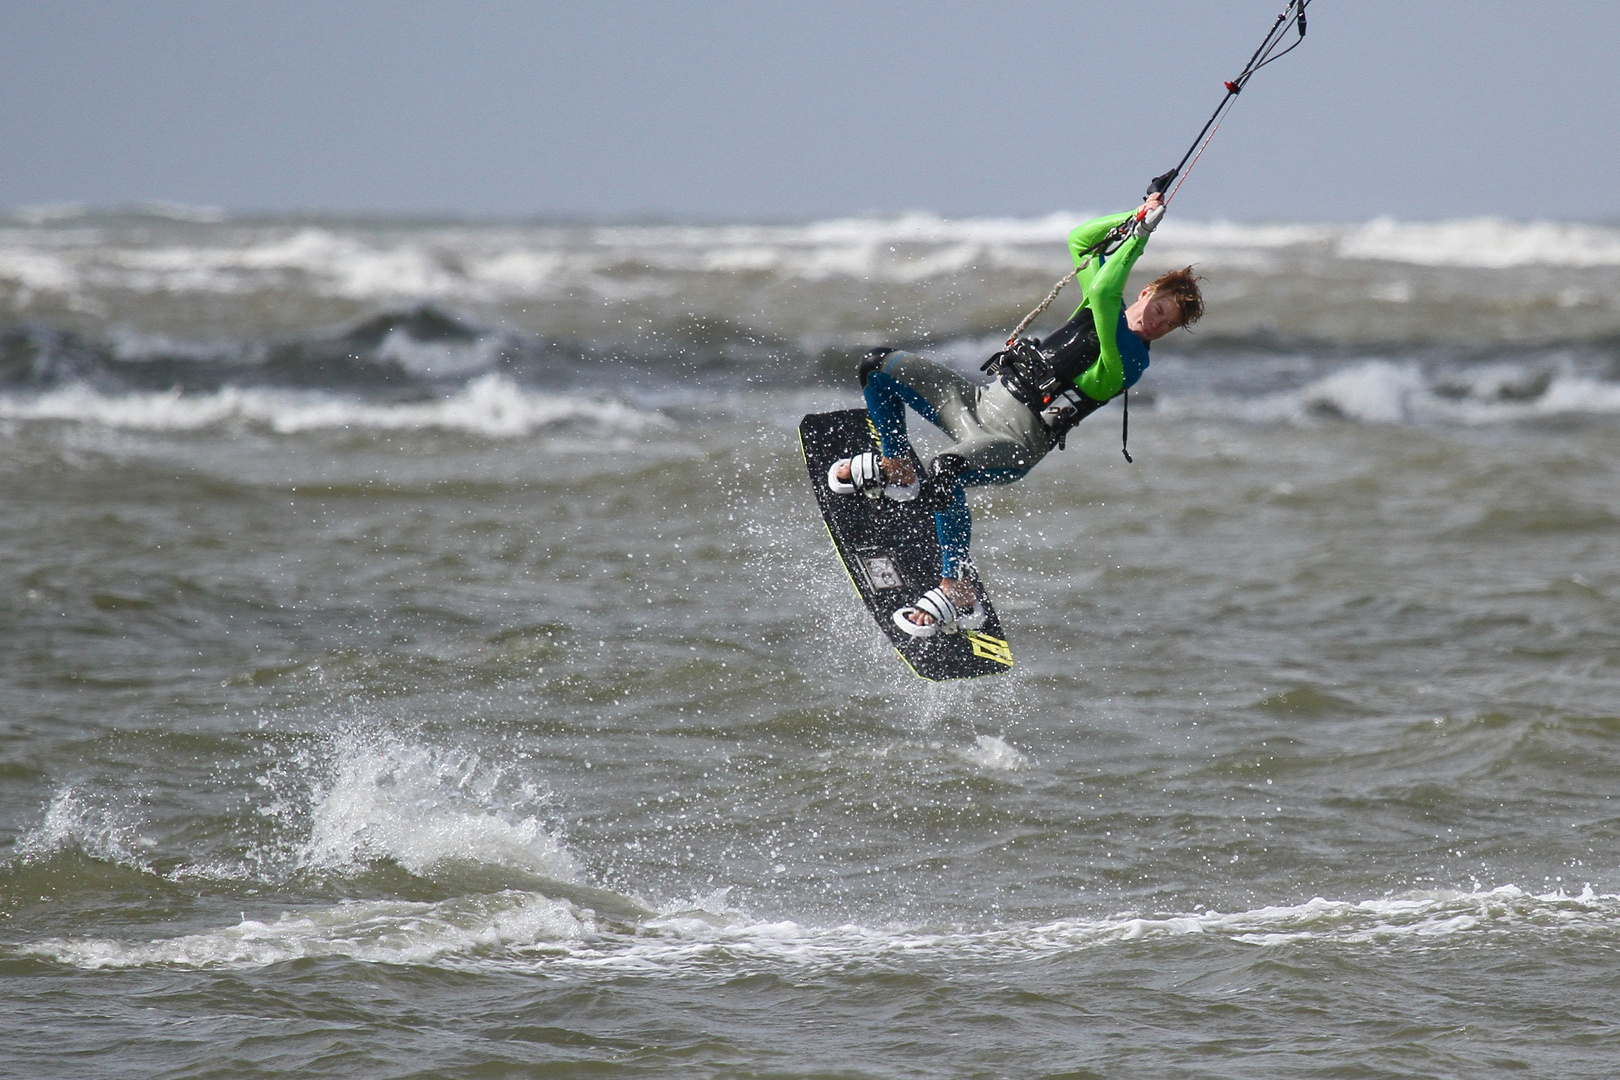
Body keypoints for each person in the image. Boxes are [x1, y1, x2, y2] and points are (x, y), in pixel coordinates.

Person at [827, 190, 1203, 638]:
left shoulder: (1130, 359)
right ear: (1147, 292)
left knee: (947, 470)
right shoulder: (1104, 309)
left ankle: (958, 589)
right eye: (1160, 310)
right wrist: (1134, 214)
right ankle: (897, 466)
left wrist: (1140, 236)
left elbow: (1104, 292)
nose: (1157, 325)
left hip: (1015, 441)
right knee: (878, 366)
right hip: (979, 403)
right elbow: (1081, 241)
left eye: (1168, 325)